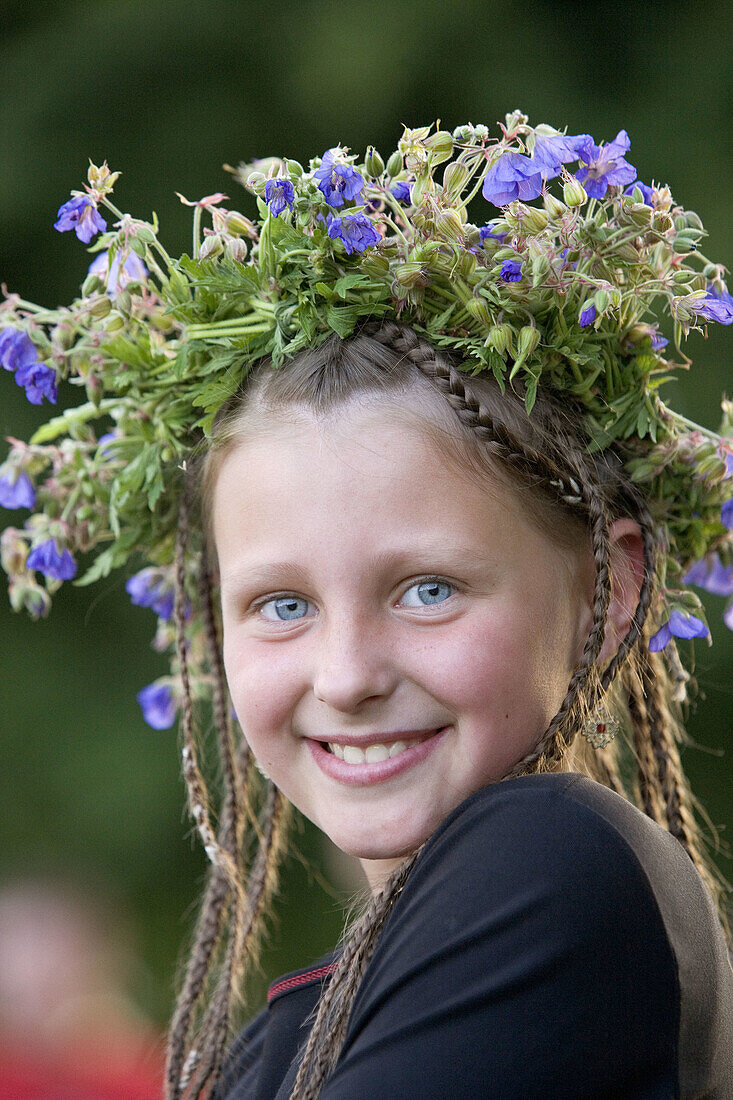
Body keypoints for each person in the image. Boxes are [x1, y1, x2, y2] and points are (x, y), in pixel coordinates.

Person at [1, 113, 732, 1098]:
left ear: (614, 587)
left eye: (427, 589)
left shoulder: (553, 866)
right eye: (281, 603)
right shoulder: (302, 1027)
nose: (346, 674)